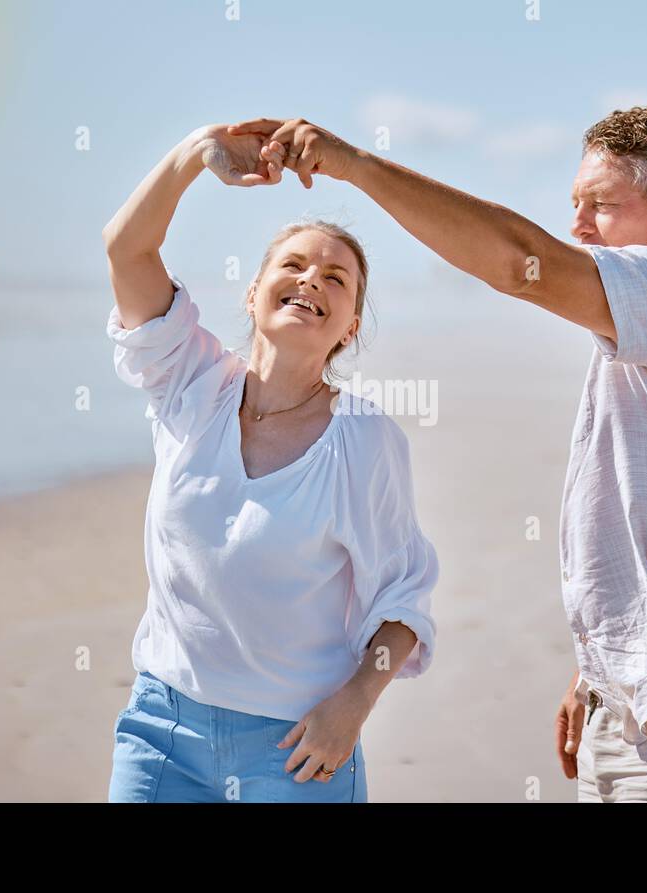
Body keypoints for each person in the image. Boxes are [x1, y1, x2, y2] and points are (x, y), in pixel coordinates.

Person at [232, 107, 647, 802]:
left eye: (600, 205)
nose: (578, 227)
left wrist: (354, 165)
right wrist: (598, 671)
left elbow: (522, 265)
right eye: (574, 205)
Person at [101, 123, 438, 803]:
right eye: (294, 265)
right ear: (254, 292)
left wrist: (355, 704)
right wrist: (196, 152)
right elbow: (126, 247)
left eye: (336, 277)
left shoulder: (363, 442)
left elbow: (403, 602)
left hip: (298, 748)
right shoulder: (189, 381)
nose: (312, 277)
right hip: (162, 729)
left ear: (349, 325)